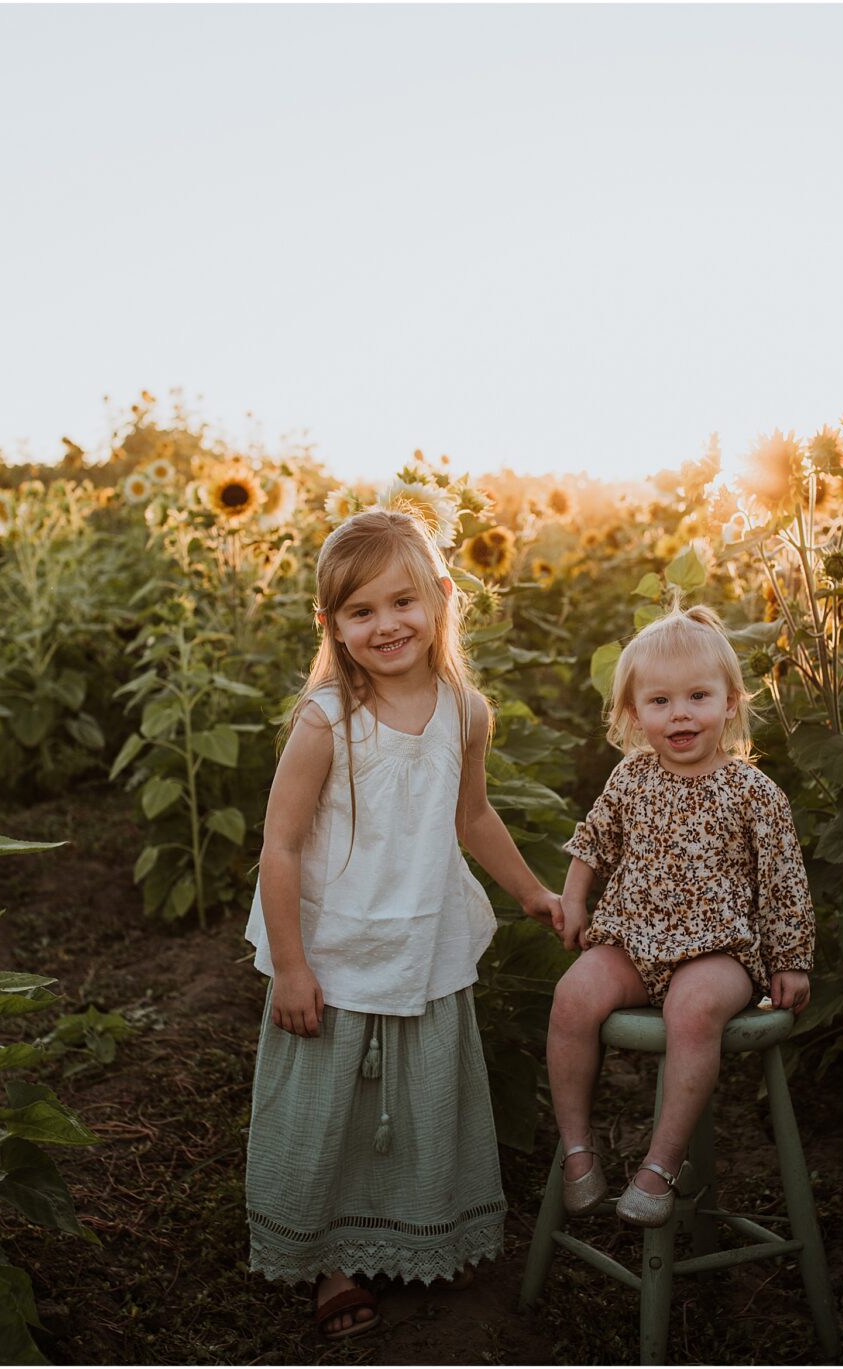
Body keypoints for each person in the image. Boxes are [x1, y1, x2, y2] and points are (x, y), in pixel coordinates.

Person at [244, 507, 562, 1340]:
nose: (387, 625)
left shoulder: (465, 710)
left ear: (442, 597)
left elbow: (475, 814)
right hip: (334, 944)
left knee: (420, 1098)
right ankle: (330, 1258)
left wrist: (532, 892)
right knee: (332, 1107)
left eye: (402, 601)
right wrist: (289, 965)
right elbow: (278, 847)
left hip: (420, 933)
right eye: (361, 611)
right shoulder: (325, 722)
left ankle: (411, 1231)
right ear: (333, 625)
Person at [547, 603, 814, 1227]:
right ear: (635, 714)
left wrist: (792, 961)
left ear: (730, 703)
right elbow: (594, 841)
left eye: (698, 696)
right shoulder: (633, 777)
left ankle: (660, 1166)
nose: (680, 714)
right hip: (633, 942)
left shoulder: (753, 792)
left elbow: (783, 883)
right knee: (572, 996)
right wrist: (575, 900)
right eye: (660, 701)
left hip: (718, 952)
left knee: (692, 1011)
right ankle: (578, 1149)